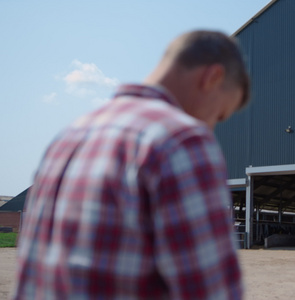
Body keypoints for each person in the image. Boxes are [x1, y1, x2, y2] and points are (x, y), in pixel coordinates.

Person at [12, 30, 250, 299]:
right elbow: (212, 291)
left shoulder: (67, 138)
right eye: (219, 114)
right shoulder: (182, 140)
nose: (212, 126)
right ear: (213, 77)